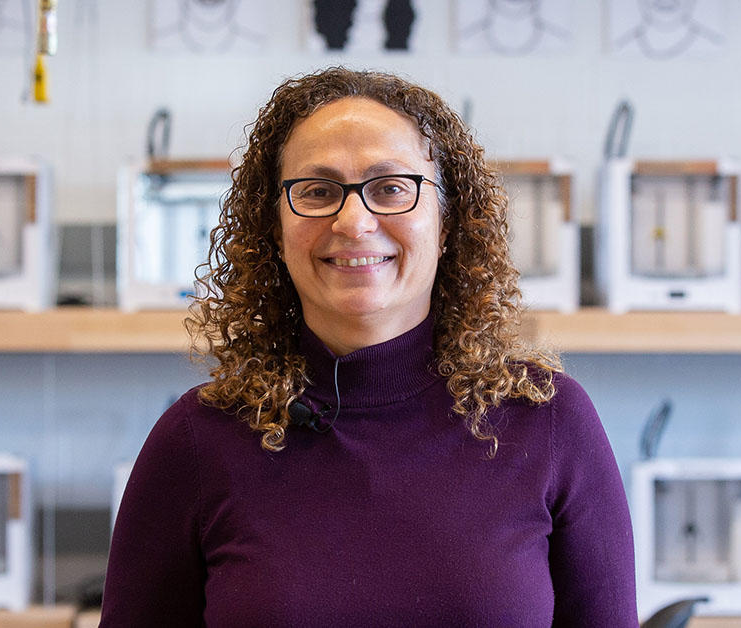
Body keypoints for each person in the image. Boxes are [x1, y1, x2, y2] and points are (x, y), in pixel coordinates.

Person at [100, 67, 638, 626]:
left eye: (391, 188)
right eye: (317, 191)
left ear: (446, 223)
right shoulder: (196, 440)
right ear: (275, 229)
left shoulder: (549, 423)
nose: (354, 222)